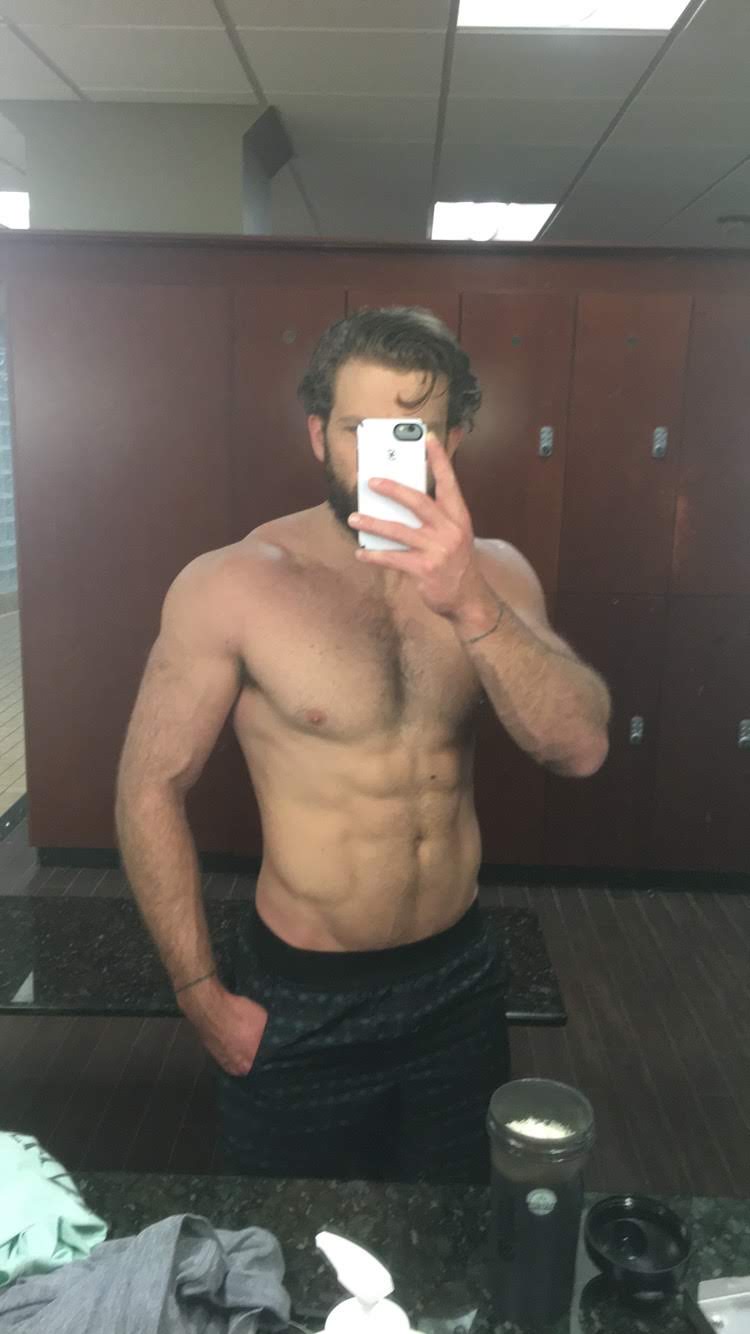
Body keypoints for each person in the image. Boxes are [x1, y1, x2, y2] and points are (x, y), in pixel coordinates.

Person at [115, 306, 611, 1183]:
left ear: (451, 440)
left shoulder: (496, 574)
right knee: (289, 1247)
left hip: (456, 984)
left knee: (452, 1233)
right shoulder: (234, 583)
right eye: (357, 430)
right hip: (299, 993)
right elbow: (149, 786)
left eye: (409, 432)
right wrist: (199, 995)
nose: (380, 458)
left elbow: (579, 749)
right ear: (318, 434)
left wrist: (470, 604)